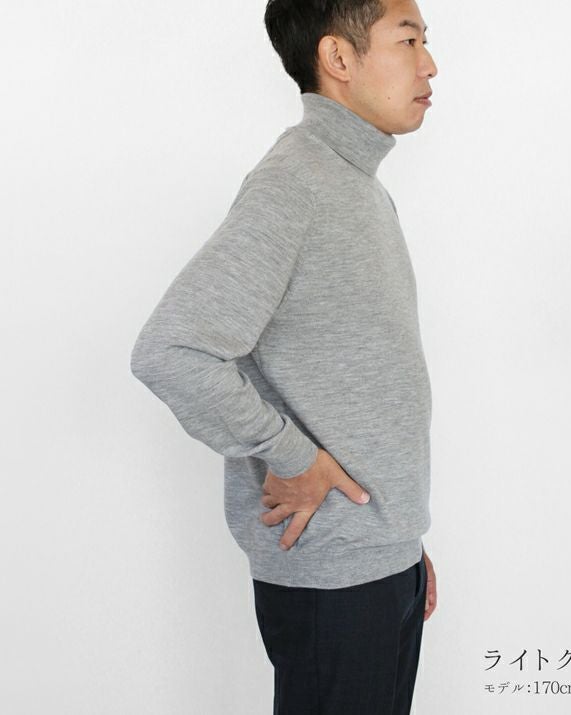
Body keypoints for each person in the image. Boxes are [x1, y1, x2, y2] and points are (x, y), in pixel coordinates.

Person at [130, 0, 438, 711]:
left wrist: (399, 539)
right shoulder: (295, 184)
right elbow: (171, 350)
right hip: (334, 578)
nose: (429, 64)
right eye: (408, 40)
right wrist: (292, 458)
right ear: (338, 58)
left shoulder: (356, 184)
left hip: (379, 561)